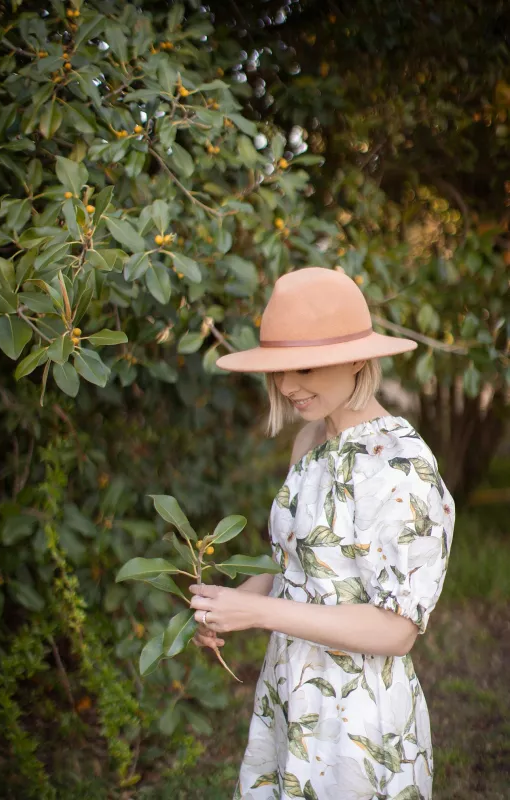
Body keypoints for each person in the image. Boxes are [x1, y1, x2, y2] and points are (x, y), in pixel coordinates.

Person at [189, 267, 455, 800]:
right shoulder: (309, 440)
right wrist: (227, 606)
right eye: (280, 370)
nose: (287, 386)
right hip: (292, 695)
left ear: (359, 357)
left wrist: (261, 615)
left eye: (304, 367)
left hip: (357, 719)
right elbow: (294, 567)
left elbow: (397, 630)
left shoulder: (401, 468)